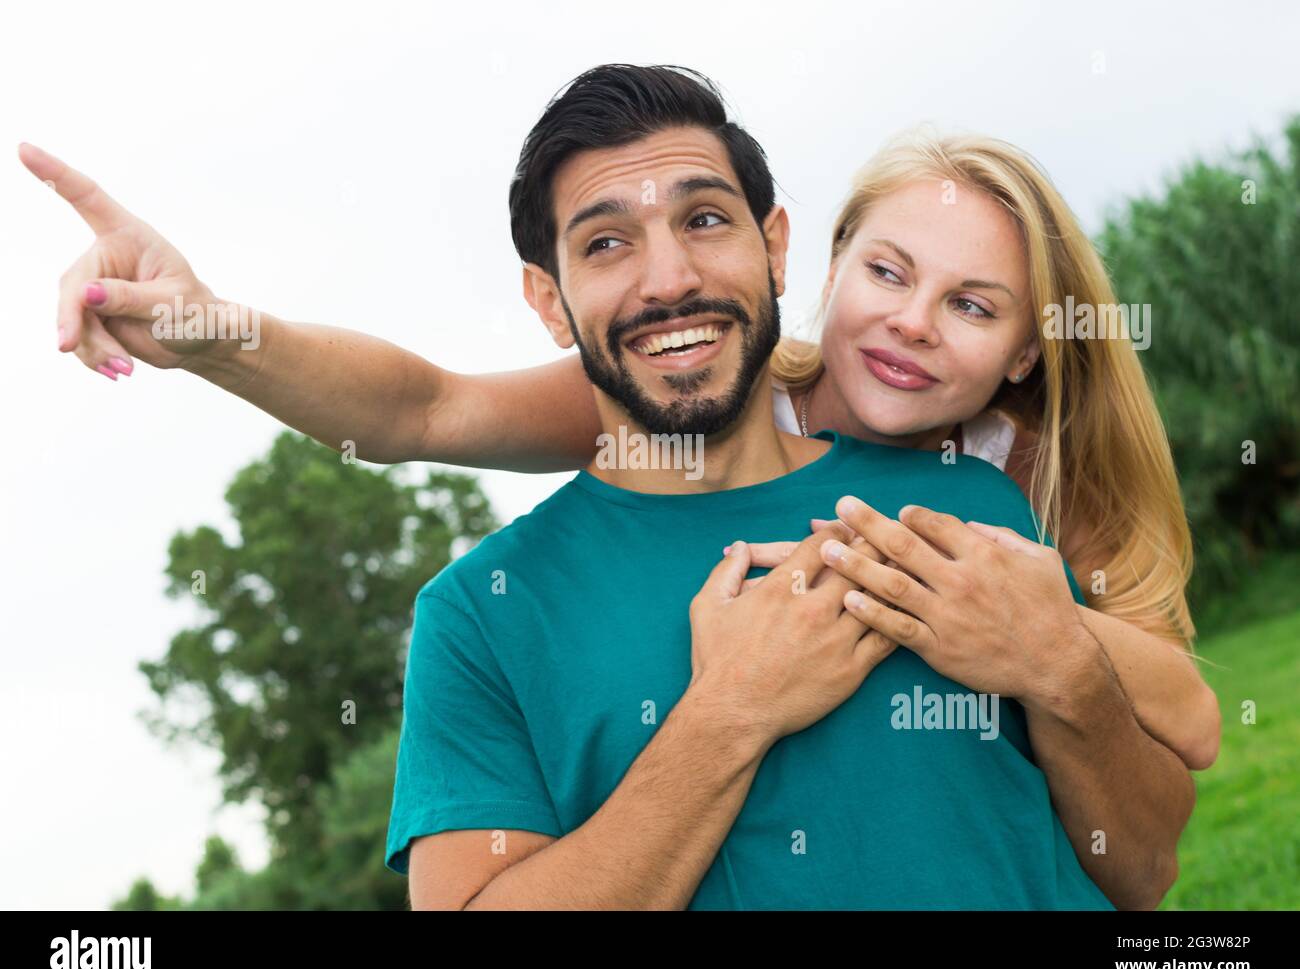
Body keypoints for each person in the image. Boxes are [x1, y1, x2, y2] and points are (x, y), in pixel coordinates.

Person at [21, 64, 1195, 909]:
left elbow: (1142, 872)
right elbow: (416, 406)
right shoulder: (480, 619)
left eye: (703, 220)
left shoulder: (972, 512)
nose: (669, 278)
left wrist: (1065, 669)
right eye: (605, 243)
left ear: (776, 247)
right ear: (548, 300)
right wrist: (725, 715)